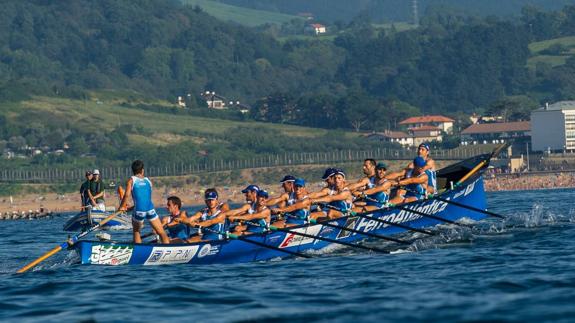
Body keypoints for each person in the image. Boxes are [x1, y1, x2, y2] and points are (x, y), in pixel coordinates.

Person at [119, 160, 169, 244]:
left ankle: (138, 251)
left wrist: (122, 207)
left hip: (139, 210)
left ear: (133, 170)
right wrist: (130, 208)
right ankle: (168, 249)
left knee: (136, 232)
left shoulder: (131, 180)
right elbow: (144, 199)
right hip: (150, 209)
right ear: (142, 170)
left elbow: (127, 195)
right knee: (161, 232)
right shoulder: (148, 181)